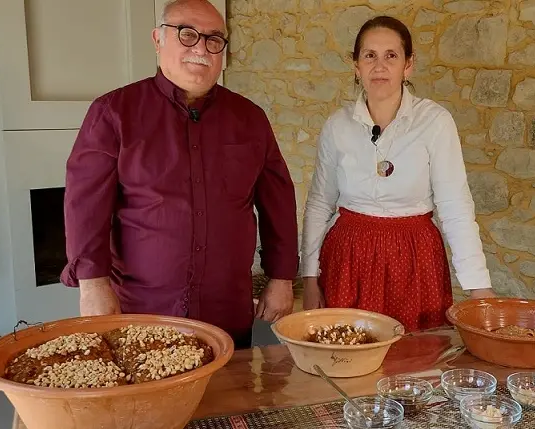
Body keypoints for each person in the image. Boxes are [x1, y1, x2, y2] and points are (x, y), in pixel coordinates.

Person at [61, 0, 299, 349]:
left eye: (214, 39)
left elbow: (278, 202)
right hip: (143, 309)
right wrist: (92, 284)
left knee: (232, 385)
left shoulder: (250, 119)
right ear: (158, 39)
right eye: (187, 34)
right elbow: (85, 206)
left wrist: (281, 277)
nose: (201, 49)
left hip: (226, 309)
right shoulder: (113, 113)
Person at [299, 15, 496, 332]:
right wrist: (309, 276)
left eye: (391, 55)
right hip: (349, 259)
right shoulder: (337, 126)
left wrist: (478, 287)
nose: (380, 66)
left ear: (408, 65)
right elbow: (320, 203)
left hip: (415, 259)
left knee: (416, 355)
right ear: (356, 65)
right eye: (370, 55)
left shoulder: (434, 122)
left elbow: (455, 206)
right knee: (348, 349)